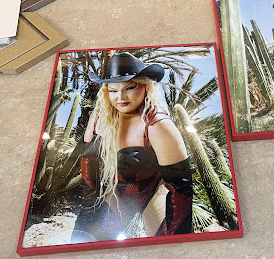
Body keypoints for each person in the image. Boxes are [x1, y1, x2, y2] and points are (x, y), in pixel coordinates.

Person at [72, 51, 193, 243]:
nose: (120, 97)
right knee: (83, 241)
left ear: (146, 86)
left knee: (171, 244)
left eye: (129, 88)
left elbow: (181, 190)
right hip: (114, 195)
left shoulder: (157, 125)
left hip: (154, 194)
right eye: (113, 90)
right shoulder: (99, 119)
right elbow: (89, 175)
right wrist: (86, 218)